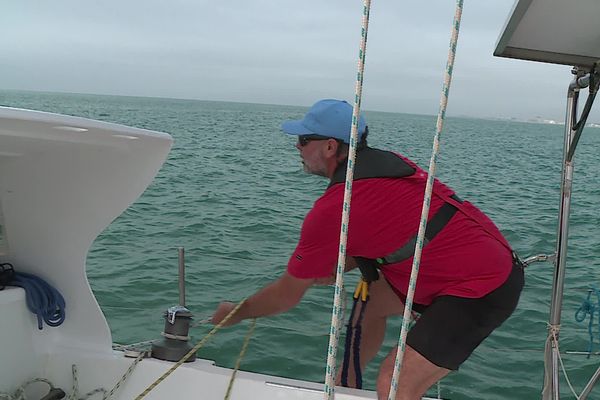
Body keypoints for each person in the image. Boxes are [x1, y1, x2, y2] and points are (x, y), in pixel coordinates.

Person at [211, 99, 524, 400]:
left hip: (482, 286)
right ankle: (346, 385)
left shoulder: (334, 208)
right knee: (371, 302)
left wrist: (237, 313)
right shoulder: (385, 166)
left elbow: (286, 295)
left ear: (330, 146)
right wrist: (337, 265)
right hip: (485, 260)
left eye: (304, 139)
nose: (297, 147)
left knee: (394, 384)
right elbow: (391, 230)